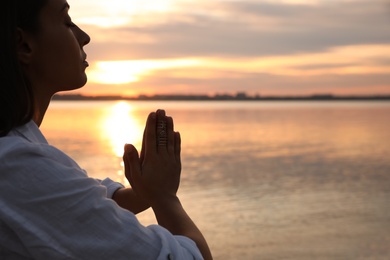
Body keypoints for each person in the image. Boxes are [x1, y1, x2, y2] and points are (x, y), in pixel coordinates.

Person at [0, 0, 213, 259]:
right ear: (24, 45)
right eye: (67, 21)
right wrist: (164, 197)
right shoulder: (14, 163)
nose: (84, 37)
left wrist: (143, 191)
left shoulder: (17, 151)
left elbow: (74, 204)